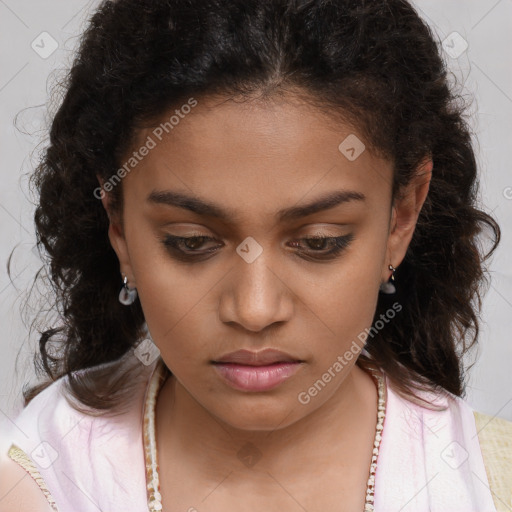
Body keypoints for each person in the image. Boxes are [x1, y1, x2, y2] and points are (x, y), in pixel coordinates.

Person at [1, 0, 511, 511]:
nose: (255, 309)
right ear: (118, 223)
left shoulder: (493, 481)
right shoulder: (32, 482)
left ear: (401, 215)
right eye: (190, 242)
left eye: (318, 242)